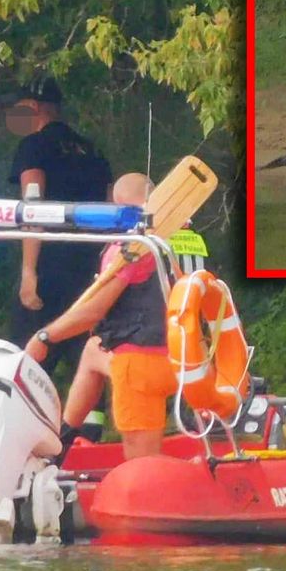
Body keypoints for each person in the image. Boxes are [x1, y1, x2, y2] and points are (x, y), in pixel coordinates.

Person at [24, 173, 177, 460]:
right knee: (94, 350)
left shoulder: (129, 248)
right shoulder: (181, 236)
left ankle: (63, 445)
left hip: (142, 363)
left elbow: (94, 310)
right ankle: (62, 441)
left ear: (115, 204)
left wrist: (44, 336)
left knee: (142, 465)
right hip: (186, 357)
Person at [5, 77, 113, 437]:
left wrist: (29, 271)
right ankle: (88, 438)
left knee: (29, 350)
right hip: (92, 267)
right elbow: (112, 207)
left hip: (51, 264)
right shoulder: (90, 149)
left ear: (33, 108)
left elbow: (32, 207)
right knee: (88, 349)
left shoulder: (34, 146)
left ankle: (23, 432)